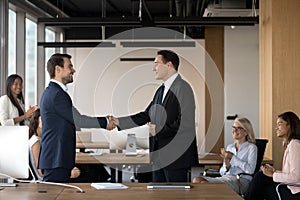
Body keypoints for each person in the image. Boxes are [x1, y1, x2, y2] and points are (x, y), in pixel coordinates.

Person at [117, 50, 198, 182]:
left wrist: (159, 129)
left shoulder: (183, 88)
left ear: (169, 65)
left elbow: (186, 122)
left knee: (174, 196)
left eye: (156, 64)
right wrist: (118, 122)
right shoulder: (161, 90)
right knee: (157, 194)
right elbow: (146, 115)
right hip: (159, 155)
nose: (153, 68)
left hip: (176, 157)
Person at [39, 53, 117, 182]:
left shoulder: (54, 92)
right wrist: (105, 122)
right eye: (70, 66)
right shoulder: (57, 95)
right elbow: (78, 120)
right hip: (56, 159)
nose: (73, 70)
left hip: (56, 158)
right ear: (58, 69)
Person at [193, 117, 257, 195]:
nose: (234, 130)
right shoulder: (230, 147)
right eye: (233, 127)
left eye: (238, 128)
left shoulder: (252, 147)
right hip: (227, 178)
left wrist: (233, 157)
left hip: (240, 181)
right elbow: (222, 172)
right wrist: (227, 166)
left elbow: (250, 170)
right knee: (197, 180)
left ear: (246, 132)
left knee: (205, 186)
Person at [245, 111, 300, 200]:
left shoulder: (295, 145)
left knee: (260, 180)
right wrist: (274, 172)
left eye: (279, 124)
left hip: (293, 193)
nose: (276, 128)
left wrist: (273, 174)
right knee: (260, 177)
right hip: (288, 187)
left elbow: (295, 177)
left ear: (289, 125)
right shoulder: (291, 144)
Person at [28, 109, 80, 180]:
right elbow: (40, 172)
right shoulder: (35, 142)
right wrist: (68, 174)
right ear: (36, 120)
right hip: (45, 182)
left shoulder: (42, 139)